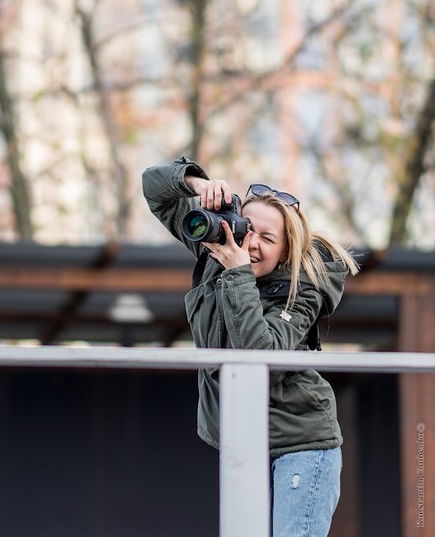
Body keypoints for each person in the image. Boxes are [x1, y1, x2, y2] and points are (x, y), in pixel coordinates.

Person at [142, 157, 359, 537]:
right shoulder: (216, 253)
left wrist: (238, 273)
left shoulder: (302, 290)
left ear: (287, 252)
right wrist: (197, 184)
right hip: (244, 444)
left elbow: (261, 356)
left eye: (268, 238)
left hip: (302, 444)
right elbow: (153, 187)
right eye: (247, 229)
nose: (251, 244)